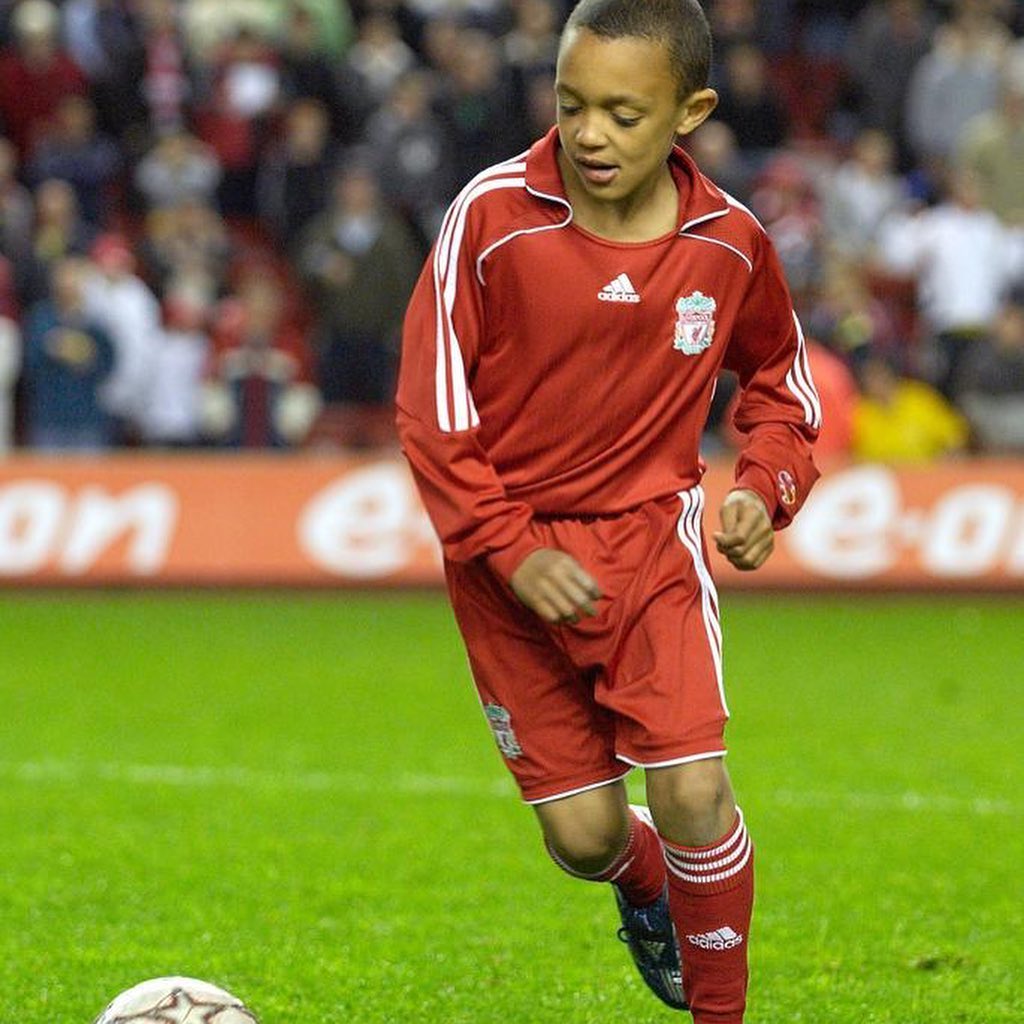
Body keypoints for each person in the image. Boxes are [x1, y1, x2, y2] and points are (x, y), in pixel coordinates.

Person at [395, 2, 821, 1022]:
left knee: (692, 792)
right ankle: (643, 887)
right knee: (584, 837)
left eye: (624, 115)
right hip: (508, 569)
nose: (589, 134)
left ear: (691, 111)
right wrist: (503, 546)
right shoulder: (491, 217)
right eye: (570, 103)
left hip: (649, 548)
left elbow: (780, 383)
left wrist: (765, 489)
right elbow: (431, 407)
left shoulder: (728, 243)